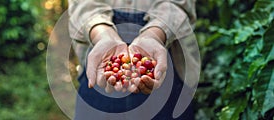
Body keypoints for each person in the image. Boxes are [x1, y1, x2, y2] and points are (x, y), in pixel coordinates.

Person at [68, 0, 199, 119]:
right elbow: (82, 4)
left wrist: (155, 35)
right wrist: (102, 34)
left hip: (169, 70)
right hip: (99, 70)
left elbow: (179, 5)